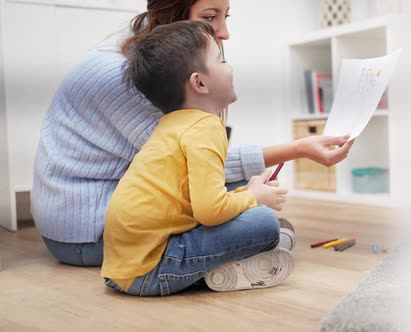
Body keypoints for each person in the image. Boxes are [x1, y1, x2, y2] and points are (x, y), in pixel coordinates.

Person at [31, 0, 353, 267]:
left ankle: (246, 234)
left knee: (242, 188)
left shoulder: (149, 53)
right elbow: (197, 168)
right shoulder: (125, 77)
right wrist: (297, 150)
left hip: (125, 203)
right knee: (258, 217)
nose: (225, 33)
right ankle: (241, 245)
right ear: (171, 15)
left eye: (225, 16)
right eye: (210, 17)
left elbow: (201, 166)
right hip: (88, 230)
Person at [101, 20, 292, 296]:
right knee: (264, 223)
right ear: (199, 82)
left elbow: (194, 200)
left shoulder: (171, 125)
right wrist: (255, 199)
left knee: (251, 213)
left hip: (121, 270)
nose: (230, 66)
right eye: (221, 59)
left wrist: (246, 191)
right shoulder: (206, 127)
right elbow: (210, 212)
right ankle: (223, 267)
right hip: (152, 270)